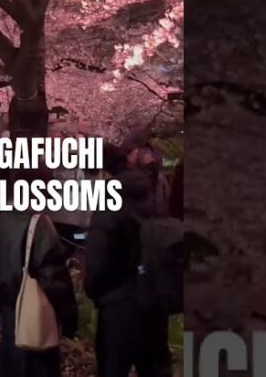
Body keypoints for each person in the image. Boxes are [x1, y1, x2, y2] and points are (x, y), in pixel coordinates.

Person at [85, 149, 171, 377]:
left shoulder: (110, 201)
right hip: (154, 297)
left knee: (112, 368)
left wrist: (95, 291)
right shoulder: (155, 194)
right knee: (155, 368)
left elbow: (97, 256)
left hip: (117, 304)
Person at [0, 172, 78, 377]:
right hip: (35, 315)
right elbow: (54, 278)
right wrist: (69, 316)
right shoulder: (40, 225)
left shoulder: (1, 221)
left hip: (10, 311)